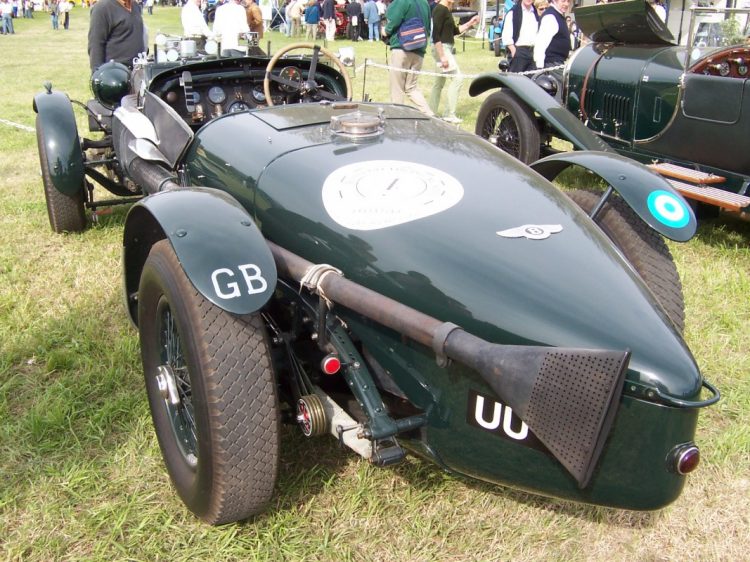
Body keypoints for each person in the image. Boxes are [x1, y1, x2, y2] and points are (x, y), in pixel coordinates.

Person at [429, 0, 479, 123]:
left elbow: (454, 31)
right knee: (458, 79)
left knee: (438, 83)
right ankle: (449, 114)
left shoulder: (446, 10)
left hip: (444, 47)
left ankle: (430, 112)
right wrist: (442, 56)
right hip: (442, 48)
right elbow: (435, 35)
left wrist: (470, 23)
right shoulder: (440, 9)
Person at [383, 0, 434, 116]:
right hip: (419, 49)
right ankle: (429, 114)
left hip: (401, 48)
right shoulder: (425, 3)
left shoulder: (401, 1)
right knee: (411, 88)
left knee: (397, 88)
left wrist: (384, 31)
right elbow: (428, 27)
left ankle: (397, 118)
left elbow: (392, 22)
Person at [88, 0, 146, 71]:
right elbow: (95, 44)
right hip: (115, 72)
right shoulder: (102, 8)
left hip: (138, 70)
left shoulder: (135, 5)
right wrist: (97, 73)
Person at [502, 0, 540, 73]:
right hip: (519, 52)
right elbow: (506, 36)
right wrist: (514, 52)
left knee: (532, 79)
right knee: (516, 79)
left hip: (534, 53)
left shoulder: (536, 12)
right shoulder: (513, 13)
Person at [533, 0, 570, 69]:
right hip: (551, 63)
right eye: (563, 1)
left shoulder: (558, 15)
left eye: (568, 1)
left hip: (557, 62)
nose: (566, 4)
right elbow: (541, 43)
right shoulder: (550, 16)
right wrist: (540, 67)